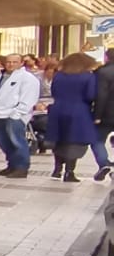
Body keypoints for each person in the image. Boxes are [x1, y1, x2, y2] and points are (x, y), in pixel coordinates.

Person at [46, 53, 98, 182]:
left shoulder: (58, 75)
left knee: (59, 139)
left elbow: (53, 91)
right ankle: (69, 172)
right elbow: (90, 95)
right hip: (79, 111)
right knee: (74, 141)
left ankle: (57, 169)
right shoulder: (88, 76)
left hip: (58, 109)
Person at [0, 54, 40, 179]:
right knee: (4, 143)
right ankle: (12, 165)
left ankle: (21, 168)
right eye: (8, 62)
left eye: (14, 62)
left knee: (17, 142)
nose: (11, 64)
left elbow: (29, 98)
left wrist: (17, 114)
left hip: (14, 116)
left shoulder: (28, 78)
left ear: (21, 63)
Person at [93, 49, 114, 182]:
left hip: (107, 113)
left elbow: (101, 94)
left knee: (97, 140)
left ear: (106, 57)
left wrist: (97, 115)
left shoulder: (102, 72)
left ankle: (104, 163)